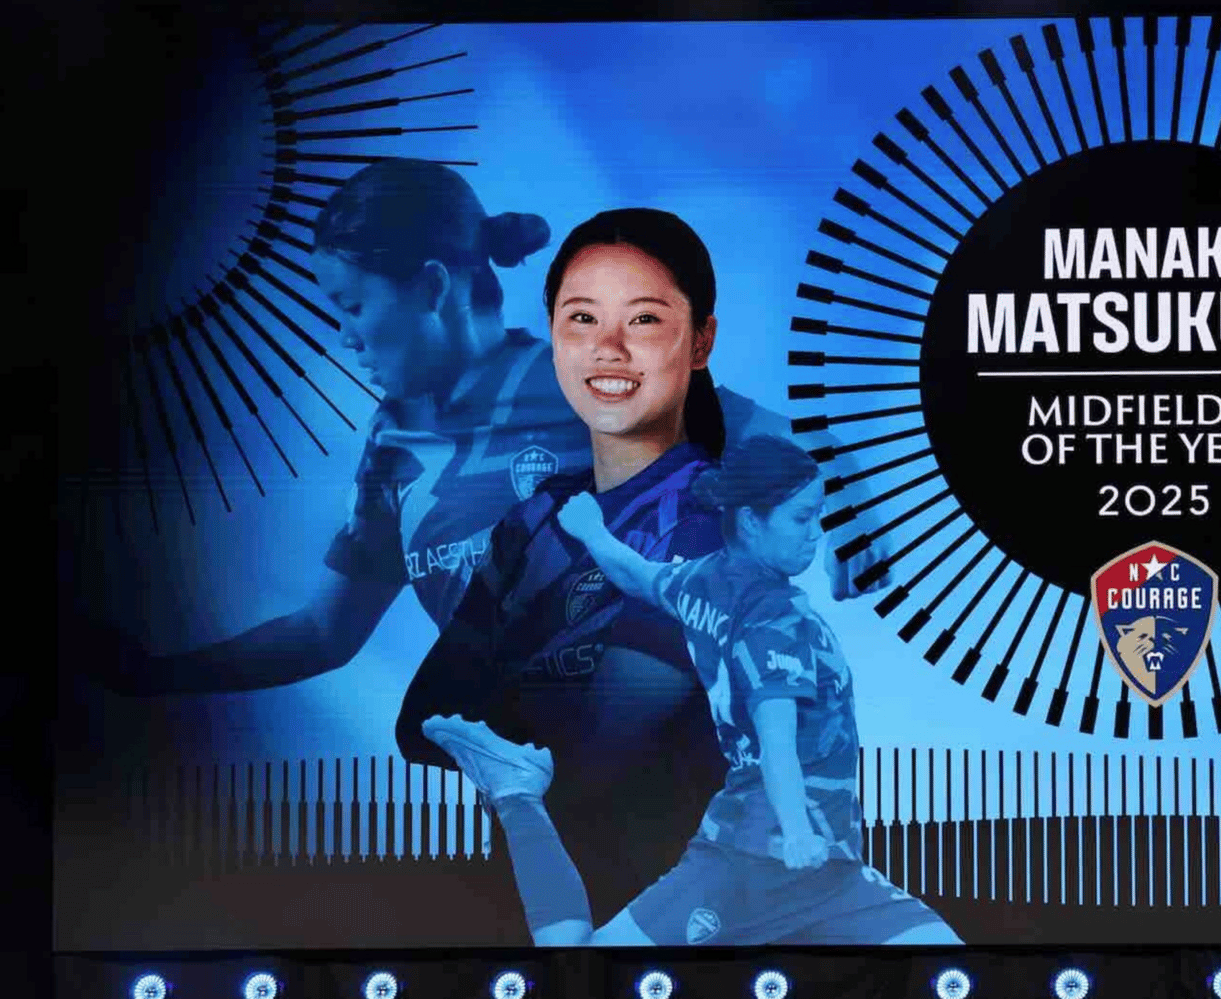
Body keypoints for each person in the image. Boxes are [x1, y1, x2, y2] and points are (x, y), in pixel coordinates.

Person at [86, 160, 890, 698]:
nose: (347, 337)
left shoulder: (579, 378)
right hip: (538, 803)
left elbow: (785, 439)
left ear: (433, 287)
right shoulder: (392, 444)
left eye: (353, 306)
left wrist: (853, 509)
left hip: (673, 781)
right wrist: (156, 676)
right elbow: (325, 634)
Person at [422, 435, 961, 946]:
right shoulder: (777, 621)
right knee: (576, 963)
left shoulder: (707, 578)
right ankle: (518, 795)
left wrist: (592, 533)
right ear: (751, 521)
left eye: (817, 516)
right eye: (802, 518)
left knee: (952, 966)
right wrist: (796, 831)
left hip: (831, 871)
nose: (815, 532)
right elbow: (778, 741)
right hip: (753, 862)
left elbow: (635, 575)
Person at [392, 208, 736, 930]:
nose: (607, 348)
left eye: (643, 320)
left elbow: (597, 753)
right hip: (524, 908)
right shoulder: (537, 516)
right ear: (553, 337)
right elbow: (421, 719)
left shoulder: (713, 523)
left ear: (699, 340)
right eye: (582, 319)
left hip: (662, 923)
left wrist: (495, 712)